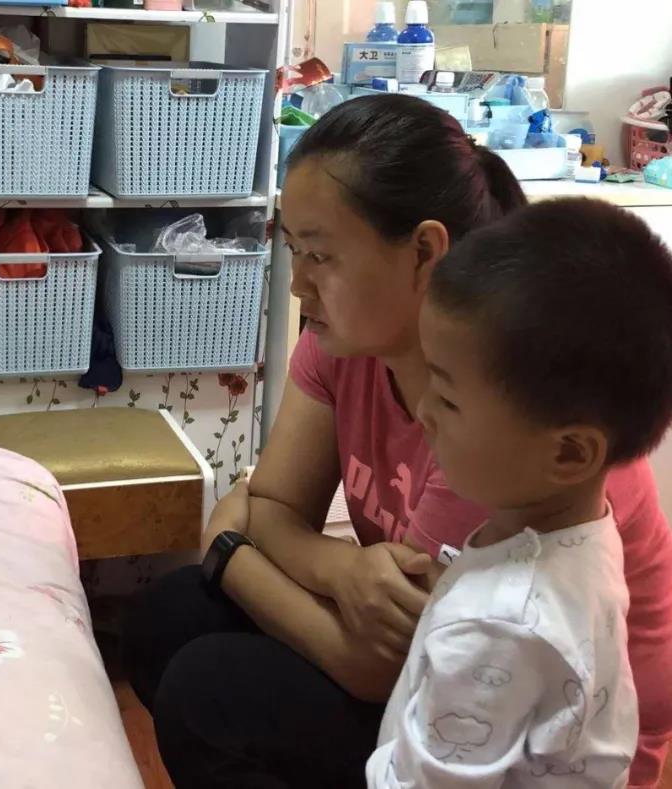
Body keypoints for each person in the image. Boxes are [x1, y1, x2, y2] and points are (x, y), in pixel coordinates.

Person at [121, 94, 672, 788]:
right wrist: (337, 569)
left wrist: (228, 545)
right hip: (456, 680)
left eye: (321, 255)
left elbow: (376, 663)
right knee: (172, 615)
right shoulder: (364, 351)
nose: (298, 283)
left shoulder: (512, 424)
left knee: (210, 688)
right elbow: (275, 506)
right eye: (293, 252)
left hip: (513, 726)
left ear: (423, 252)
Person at [367, 197, 672, 786]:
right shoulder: (587, 531)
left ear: (569, 454)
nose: (424, 411)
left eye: (448, 398)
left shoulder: (499, 624)